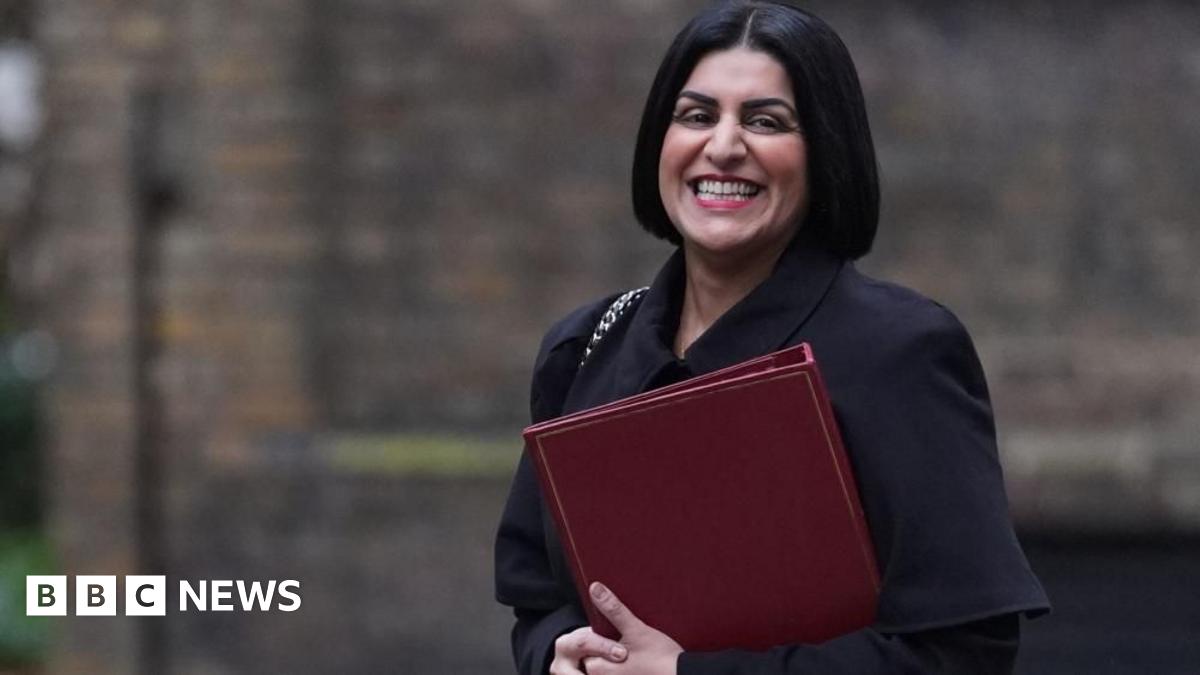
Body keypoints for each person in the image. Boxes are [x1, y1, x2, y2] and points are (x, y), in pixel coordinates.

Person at [494, 2, 1050, 673]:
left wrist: (685, 673)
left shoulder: (902, 351)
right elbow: (539, 603)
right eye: (697, 115)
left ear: (824, 149)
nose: (724, 146)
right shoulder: (584, 348)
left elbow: (961, 652)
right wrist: (556, 654)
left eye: (766, 121)